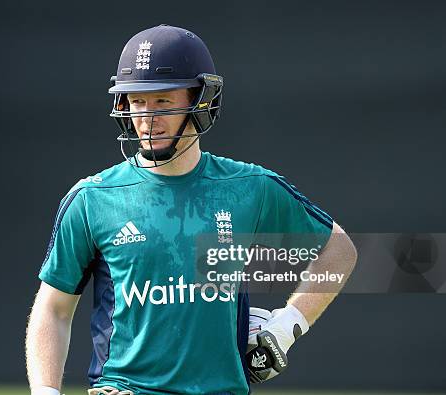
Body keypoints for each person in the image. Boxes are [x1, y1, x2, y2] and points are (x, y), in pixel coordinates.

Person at [25, 24, 357, 395]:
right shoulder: (92, 198)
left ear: (201, 100)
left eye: (163, 101)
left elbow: (339, 250)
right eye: (137, 102)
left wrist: (288, 325)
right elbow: (53, 309)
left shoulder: (250, 188)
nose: (147, 118)